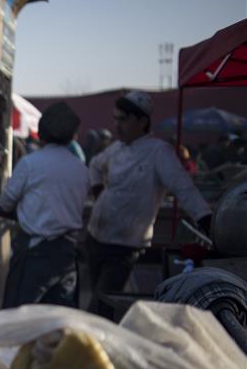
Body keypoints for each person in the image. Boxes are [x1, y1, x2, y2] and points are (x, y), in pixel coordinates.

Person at [86, 90, 212, 319]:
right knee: (99, 301)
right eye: (115, 119)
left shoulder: (158, 152)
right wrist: (98, 191)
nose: (117, 125)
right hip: (96, 238)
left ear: (142, 121)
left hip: (124, 245)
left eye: (123, 119)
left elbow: (183, 188)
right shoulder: (116, 149)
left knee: (98, 308)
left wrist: (207, 220)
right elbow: (94, 165)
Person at [0, 102, 89, 308]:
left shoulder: (31, 163)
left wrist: (18, 213)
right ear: (72, 136)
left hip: (34, 254)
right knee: (58, 325)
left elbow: (3, 205)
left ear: (41, 133)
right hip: (67, 256)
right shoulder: (81, 169)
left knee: (18, 321)